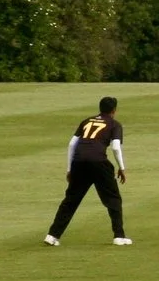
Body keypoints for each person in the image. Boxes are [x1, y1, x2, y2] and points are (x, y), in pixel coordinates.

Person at [45, 96, 130, 246]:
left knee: (71, 200)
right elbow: (116, 147)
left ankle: (52, 235)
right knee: (113, 199)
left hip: (79, 162)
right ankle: (119, 236)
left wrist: (70, 169)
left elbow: (72, 144)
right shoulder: (114, 124)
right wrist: (122, 168)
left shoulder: (87, 121)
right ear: (114, 110)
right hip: (99, 163)